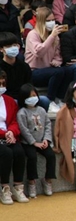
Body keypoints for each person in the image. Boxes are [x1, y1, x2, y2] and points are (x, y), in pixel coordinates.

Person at [25, 7, 76, 114]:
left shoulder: (55, 37)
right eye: (48, 21)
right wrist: (51, 36)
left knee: (66, 70)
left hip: (50, 70)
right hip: (35, 72)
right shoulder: (33, 34)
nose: (51, 23)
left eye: (53, 20)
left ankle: (60, 99)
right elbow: (39, 52)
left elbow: (58, 54)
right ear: (42, 21)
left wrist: (57, 61)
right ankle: (50, 100)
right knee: (58, 72)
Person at [16, 83, 55, 198]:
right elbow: (23, 130)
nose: (32, 98)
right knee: (32, 157)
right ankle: (31, 182)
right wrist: (33, 142)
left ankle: (48, 180)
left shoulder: (42, 110)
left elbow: (48, 124)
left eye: (34, 95)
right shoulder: (22, 112)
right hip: (28, 143)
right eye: (29, 97)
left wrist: (46, 139)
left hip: (42, 141)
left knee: (51, 155)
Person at [0, 71, 28, 204]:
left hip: (9, 135)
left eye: (2, 83)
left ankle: (18, 187)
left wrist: (11, 131)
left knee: (19, 152)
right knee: (6, 153)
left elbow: (14, 121)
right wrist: (3, 134)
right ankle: (4, 187)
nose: (1, 86)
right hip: (1, 136)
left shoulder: (9, 101)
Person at [0, 32, 37, 105]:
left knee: (44, 100)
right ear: (1, 49)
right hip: (5, 99)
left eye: (14, 45)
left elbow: (29, 85)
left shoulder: (24, 66)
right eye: (8, 46)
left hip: (23, 97)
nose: (13, 48)